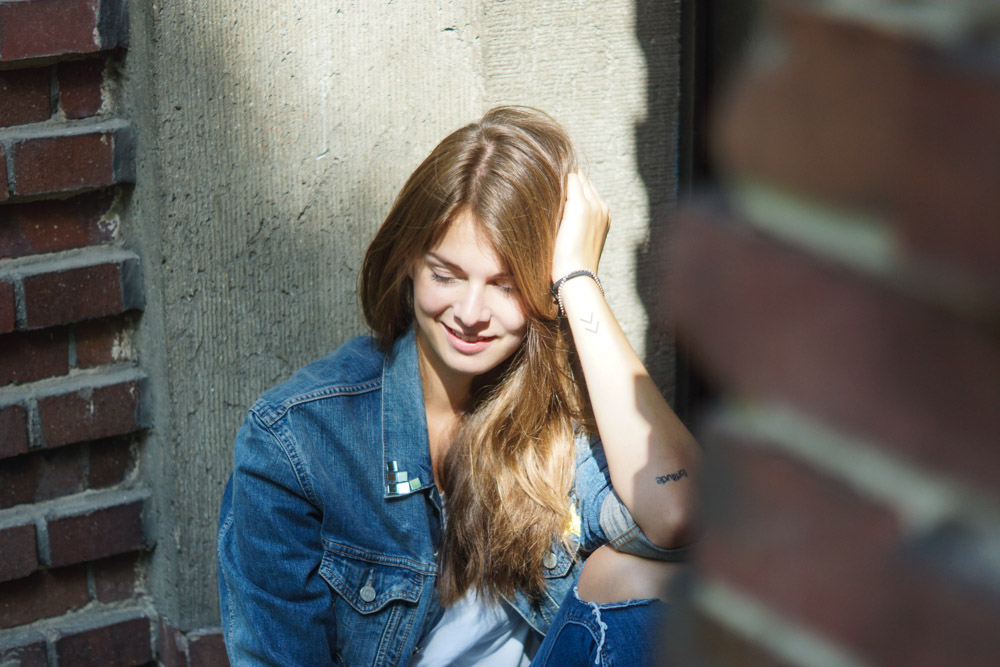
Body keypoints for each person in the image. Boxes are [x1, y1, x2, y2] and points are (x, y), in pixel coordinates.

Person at [217, 106, 700, 666]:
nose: (470, 313)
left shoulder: (552, 424)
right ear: (408, 264)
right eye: (446, 275)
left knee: (651, 577)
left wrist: (579, 280)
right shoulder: (295, 441)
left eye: (506, 285)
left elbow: (680, 514)